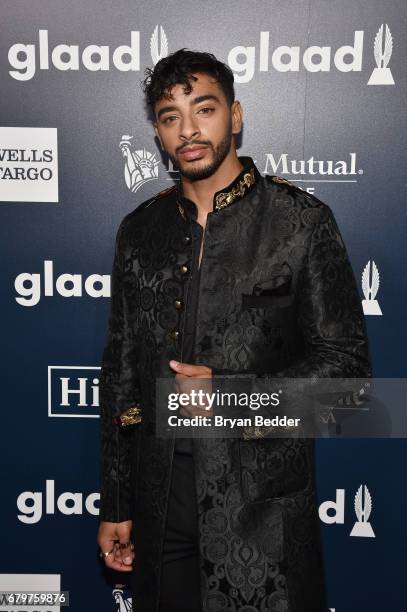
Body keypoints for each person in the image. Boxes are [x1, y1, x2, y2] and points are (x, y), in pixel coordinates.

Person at [97, 48, 371, 612]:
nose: (189, 130)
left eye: (204, 109)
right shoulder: (139, 231)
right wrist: (117, 502)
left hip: (263, 517)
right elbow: (121, 375)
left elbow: (350, 380)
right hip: (161, 511)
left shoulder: (300, 222)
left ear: (236, 115)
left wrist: (230, 399)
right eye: (171, 116)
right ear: (157, 132)